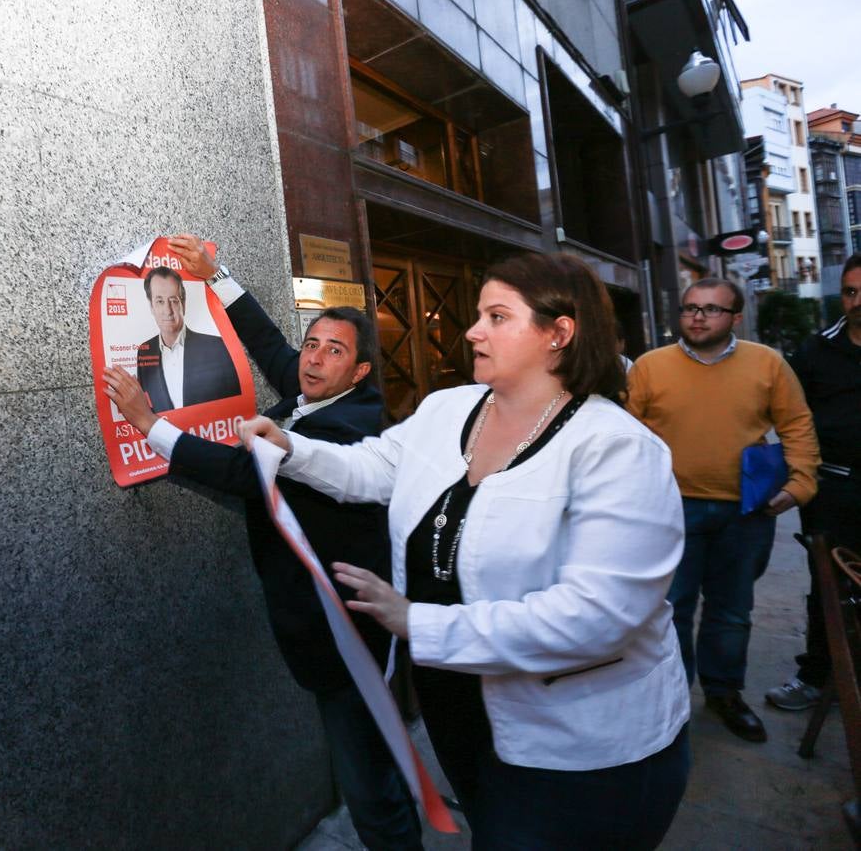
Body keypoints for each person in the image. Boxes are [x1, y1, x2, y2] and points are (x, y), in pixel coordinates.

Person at [242, 253, 690, 849]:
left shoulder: (618, 450)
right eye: (479, 314)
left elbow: (598, 616)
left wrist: (415, 621)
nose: (472, 331)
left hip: (579, 750)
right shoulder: (448, 408)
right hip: (463, 715)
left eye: (497, 317)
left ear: (560, 333)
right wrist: (292, 448)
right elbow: (376, 466)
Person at [104, 235, 419, 850]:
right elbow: (273, 348)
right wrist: (216, 273)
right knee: (370, 768)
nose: (313, 359)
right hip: (321, 629)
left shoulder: (347, 426)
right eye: (313, 344)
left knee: (368, 784)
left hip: (347, 638)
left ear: (359, 373)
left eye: (335, 352)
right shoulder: (316, 393)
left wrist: (149, 425)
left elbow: (243, 474)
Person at [627, 277, 819, 742]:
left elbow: (796, 424)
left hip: (745, 512)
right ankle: (671, 702)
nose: (697, 316)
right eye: (691, 308)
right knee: (670, 610)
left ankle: (724, 693)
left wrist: (800, 483)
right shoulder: (651, 367)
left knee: (731, 611)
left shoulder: (767, 363)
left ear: (736, 318)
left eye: (711, 309)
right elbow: (624, 435)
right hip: (670, 512)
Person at [765, 254, 861, 711]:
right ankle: (817, 675)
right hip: (835, 490)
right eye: (850, 291)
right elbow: (790, 421)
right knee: (829, 586)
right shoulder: (815, 351)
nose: (858, 301)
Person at [135, 265, 241, 411]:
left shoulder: (217, 347)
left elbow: (235, 406)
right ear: (151, 306)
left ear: (183, 304)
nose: (168, 311)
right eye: (160, 301)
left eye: (173, 300)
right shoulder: (144, 351)